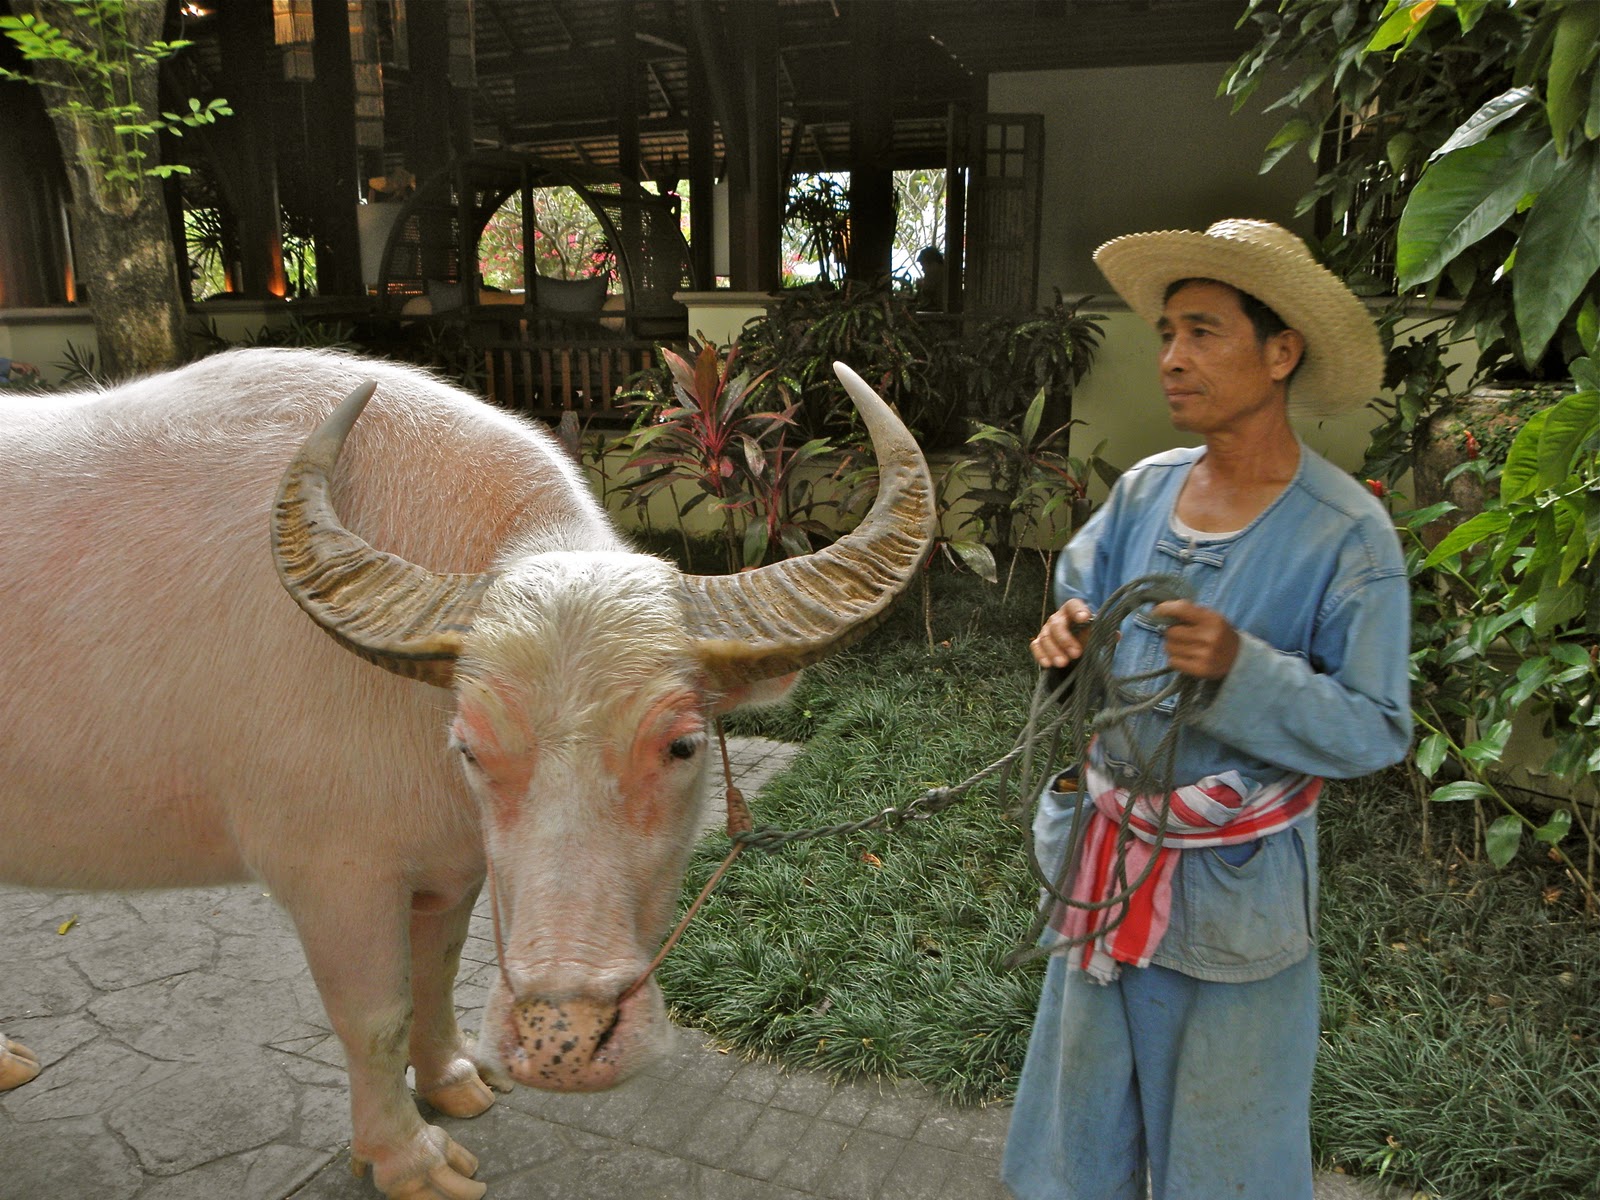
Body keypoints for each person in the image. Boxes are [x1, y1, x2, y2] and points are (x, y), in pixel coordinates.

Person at [1000, 218, 1412, 1200]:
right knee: (1080, 1131)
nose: (1171, 360)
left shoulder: (1347, 536)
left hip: (1235, 897)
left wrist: (1241, 670)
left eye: (1201, 332)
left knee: (1228, 1152)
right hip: (1106, 865)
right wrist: (1066, 642)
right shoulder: (1142, 496)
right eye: (1167, 335)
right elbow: (1083, 612)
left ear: (1281, 352)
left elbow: (1375, 727)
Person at [914, 246, 946, 311]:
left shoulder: (935, 273)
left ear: (934, 264)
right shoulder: (940, 271)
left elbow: (928, 295)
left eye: (923, 265)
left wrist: (921, 287)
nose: (922, 269)